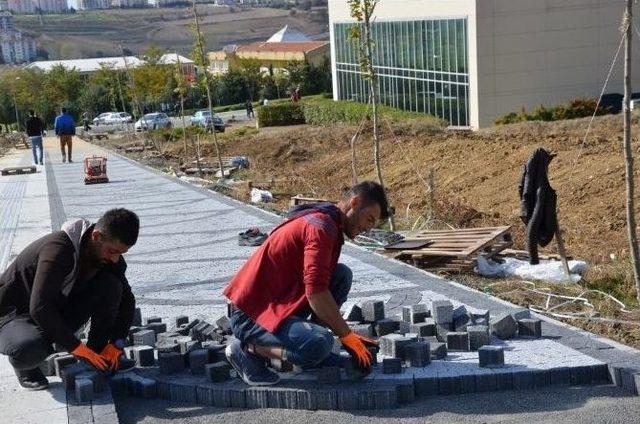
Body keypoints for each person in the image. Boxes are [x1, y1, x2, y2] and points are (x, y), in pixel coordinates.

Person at [223, 181, 390, 386]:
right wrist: (347, 336)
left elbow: (319, 284)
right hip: (250, 315)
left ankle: (306, 351)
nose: (367, 228)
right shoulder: (320, 227)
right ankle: (247, 349)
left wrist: (345, 335)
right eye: (369, 219)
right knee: (320, 343)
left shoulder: (329, 222)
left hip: (277, 305)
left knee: (340, 275)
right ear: (354, 202)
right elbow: (316, 292)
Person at [0, 209, 140, 390]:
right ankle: (28, 368)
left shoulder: (109, 258)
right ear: (97, 236)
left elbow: (128, 301)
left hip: (54, 307)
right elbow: (40, 307)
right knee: (28, 348)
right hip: (13, 314)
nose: (115, 258)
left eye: (121, 253)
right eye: (112, 251)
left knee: (111, 286)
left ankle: (97, 353)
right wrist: (76, 348)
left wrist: (116, 344)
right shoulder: (57, 250)